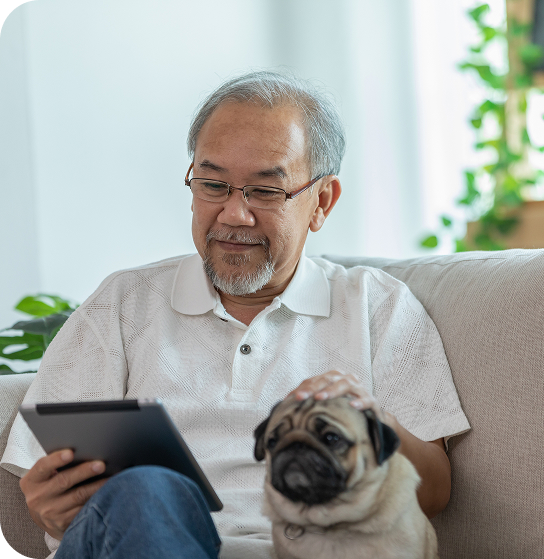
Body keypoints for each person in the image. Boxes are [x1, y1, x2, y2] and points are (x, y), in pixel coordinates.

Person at [1, 71, 470, 559]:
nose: (233, 214)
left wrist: (373, 421)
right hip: (138, 540)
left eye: (265, 192)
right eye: (213, 185)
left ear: (322, 202)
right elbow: (47, 487)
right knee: (146, 492)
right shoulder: (124, 302)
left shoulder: (378, 306)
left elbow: (433, 492)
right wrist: (48, 506)